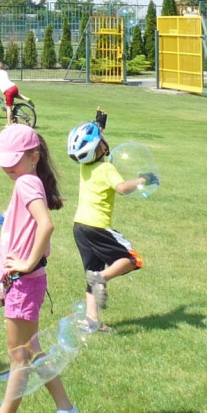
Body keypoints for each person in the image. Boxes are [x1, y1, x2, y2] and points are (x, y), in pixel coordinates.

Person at [0, 124, 83, 413]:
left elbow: (46, 225)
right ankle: (66, 410)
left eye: (13, 160)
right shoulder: (29, 181)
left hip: (24, 282)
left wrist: (27, 263)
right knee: (32, 350)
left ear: (34, 157)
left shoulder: (26, 182)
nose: (7, 167)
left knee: (19, 355)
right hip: (23, 282)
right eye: (5, 161)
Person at [66, 120, 149, 331]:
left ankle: (91, 320)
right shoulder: (106, 168)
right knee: (132, 259)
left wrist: (98, 125)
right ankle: (101, 278)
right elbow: (122, 188)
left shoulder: (85, 166)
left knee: (91, 270)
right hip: (98, 227)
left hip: (80, 227)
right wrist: (142, 180)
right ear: (101, 148)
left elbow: (95, 145)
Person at [0, 61, 27, 126]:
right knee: (16, 95)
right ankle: (26, 98)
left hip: (8, 90)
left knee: (8, 108)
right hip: (14, 87)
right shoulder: (4, 72)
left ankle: (9, 124)